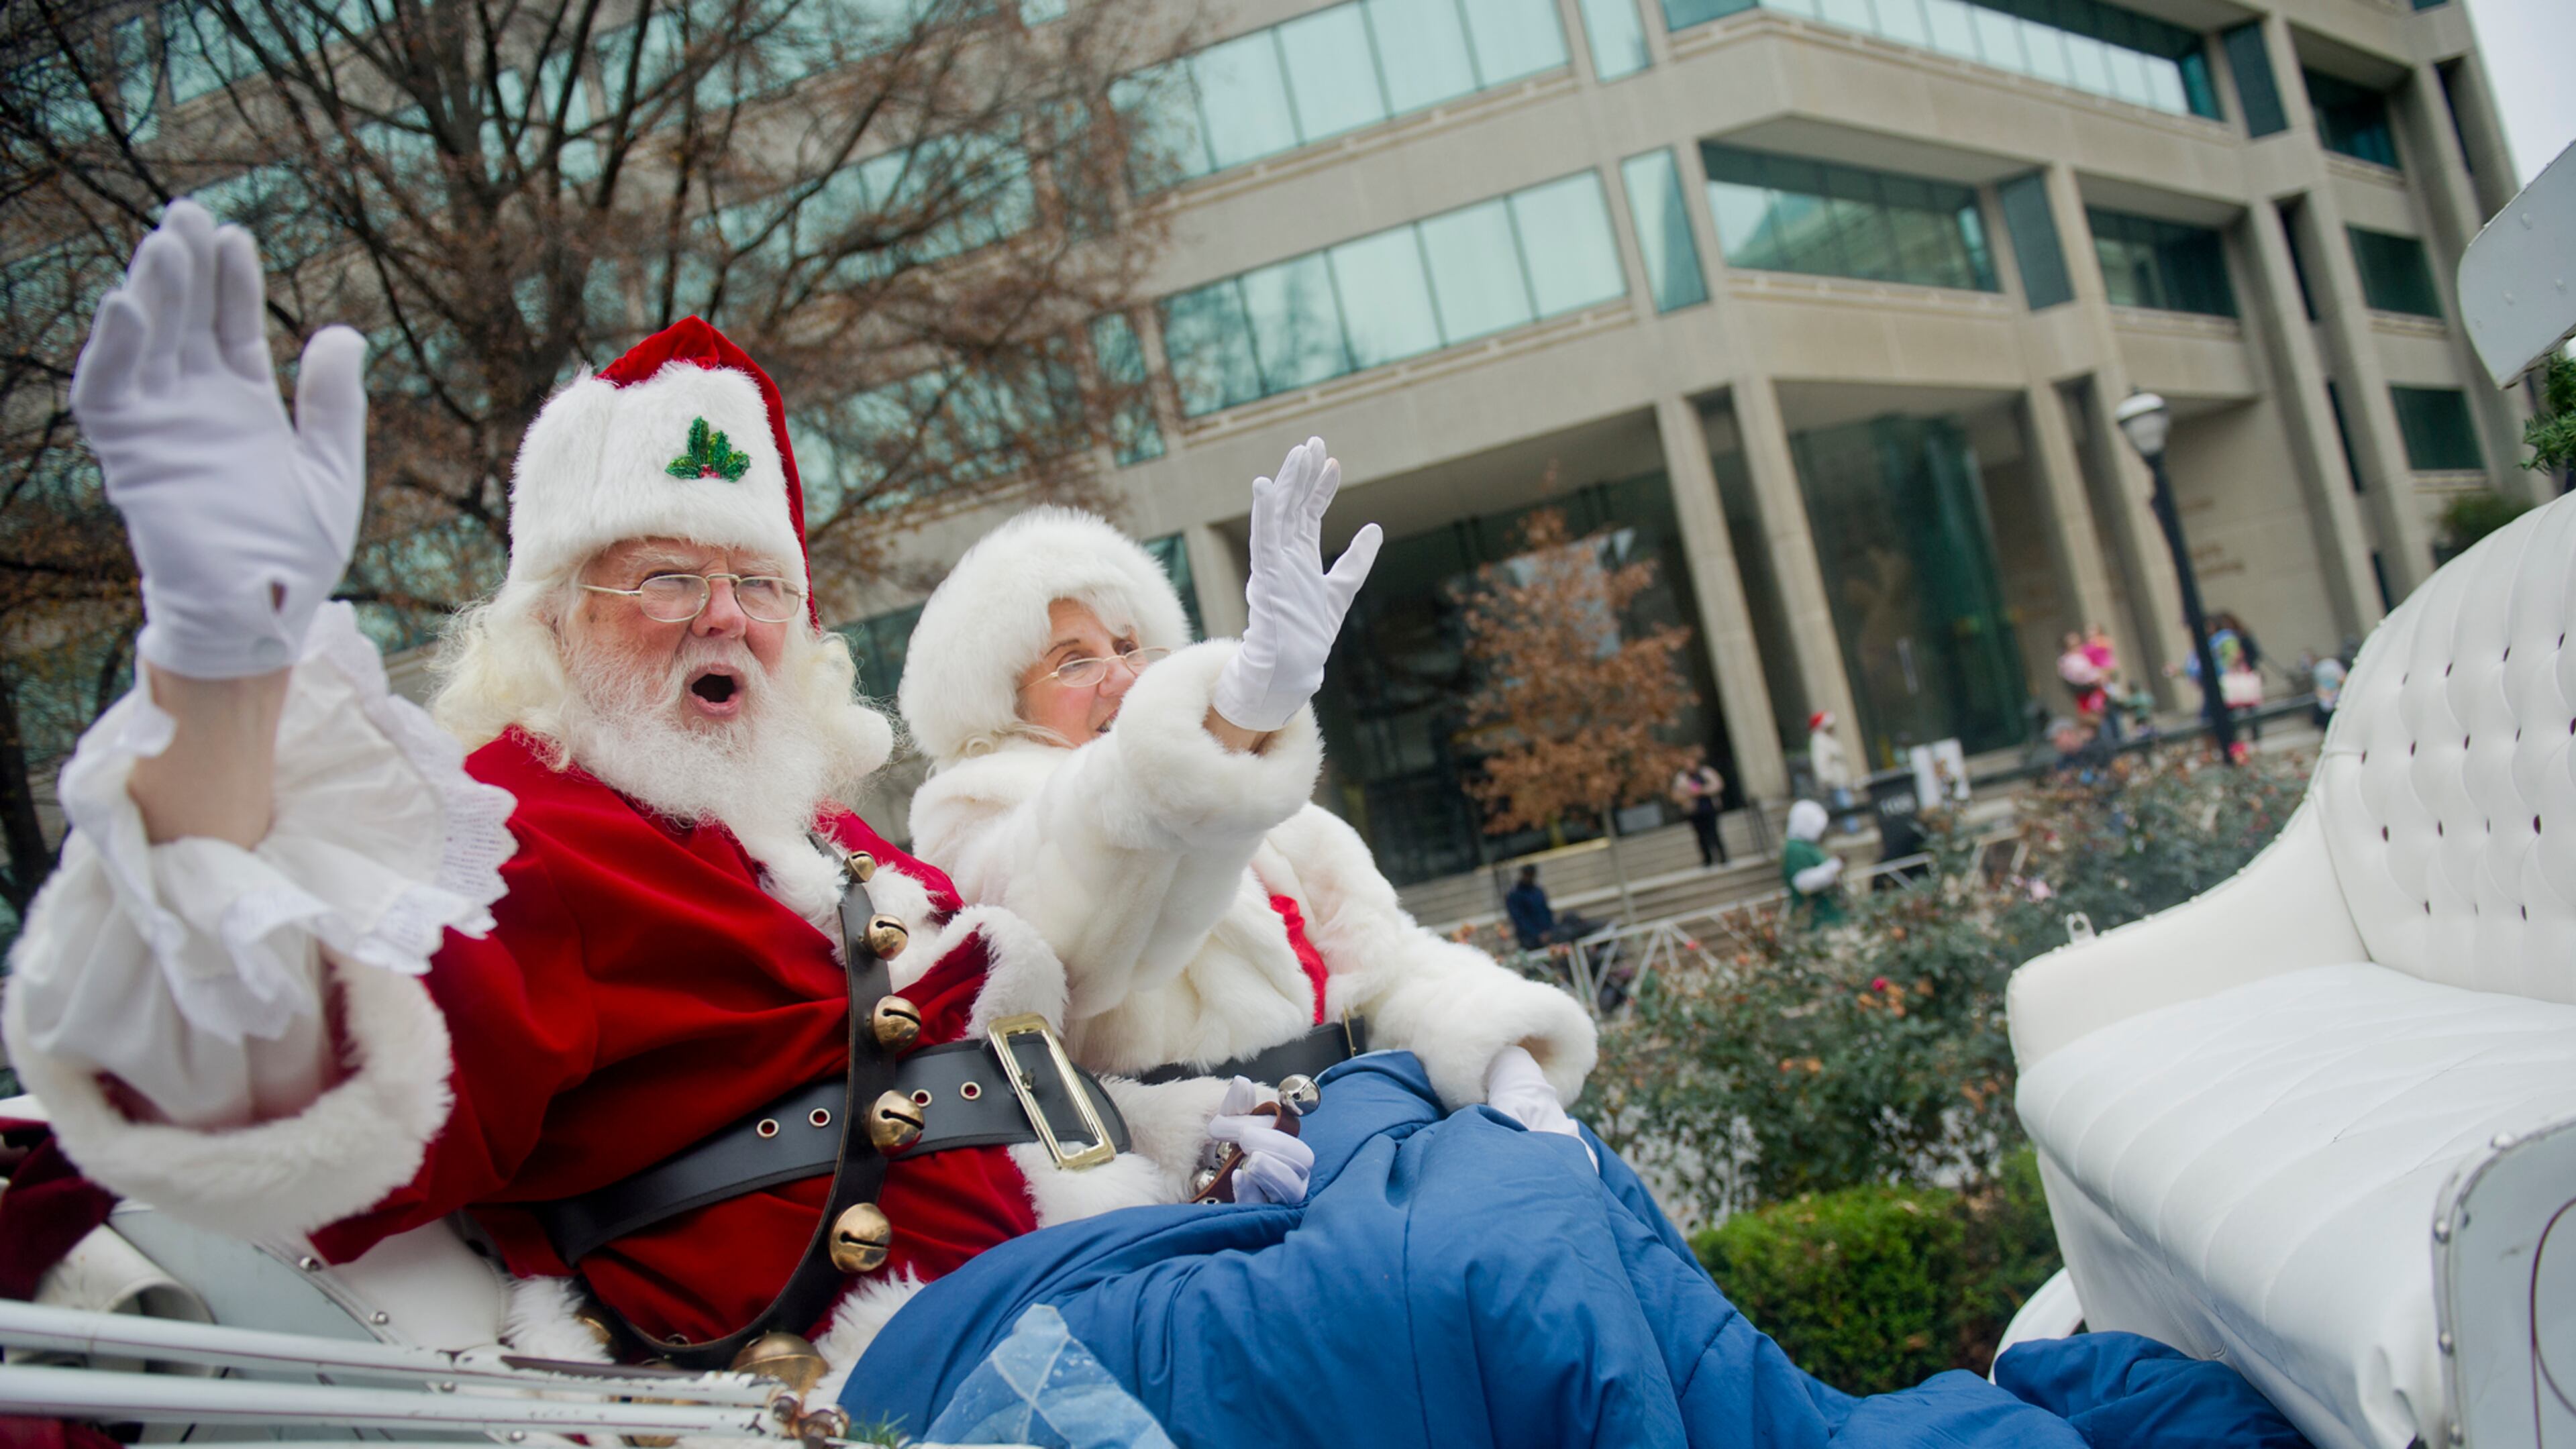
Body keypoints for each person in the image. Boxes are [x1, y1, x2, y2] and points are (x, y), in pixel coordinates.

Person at [0, 204, 1292, 1390]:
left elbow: (990, 1079)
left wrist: (1188, 1131)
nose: (725, 615)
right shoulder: (513, 835)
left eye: (761, 583)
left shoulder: (816, 839)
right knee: (1439, 1300)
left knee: (1426, 1167)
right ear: (556, 621)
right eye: (667, 578)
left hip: (1111, 1266)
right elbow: (282, 1088)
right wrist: (220, 676)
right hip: (923, 1377)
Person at [895, 491, 1598, 1137]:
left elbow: (1382, 963)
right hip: (1221, 1174)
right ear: (1003, 704)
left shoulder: (1245, 796)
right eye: (1073, 661)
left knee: (1585, 1196)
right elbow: (1078, 927)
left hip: (1364, 1117)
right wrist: (1230, 723)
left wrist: (1502, 1053)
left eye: (1130, 645)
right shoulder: (978, 814)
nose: (1124, 675)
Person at [1780, 799, 1846, 927]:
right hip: (1817, 922)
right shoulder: (1794, 849)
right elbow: (1804, 883)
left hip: (1832, 915)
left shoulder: (1809, 846)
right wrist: (1835, 865)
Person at [1671, 752, 1729, 866]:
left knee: (1714, 833)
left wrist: (1703, 791)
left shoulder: (1706, 772)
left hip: (1709, 808)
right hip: (1694, 810)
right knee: (1701, 836)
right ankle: (1708, 859)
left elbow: (1717, 785)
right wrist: (1690, 794)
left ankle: (1723, 857)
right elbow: (1676, 795)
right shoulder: (1681, 778)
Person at [1806, 709, 1856, 832]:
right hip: (1834, 780)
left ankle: (1850, 828)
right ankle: (1851, 829)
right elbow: (1820, 761)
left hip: (1841, 779)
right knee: (1844, 805)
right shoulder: (1819, 740)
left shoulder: (1830, 738)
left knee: (1845, 804)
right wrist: (1826, 778)